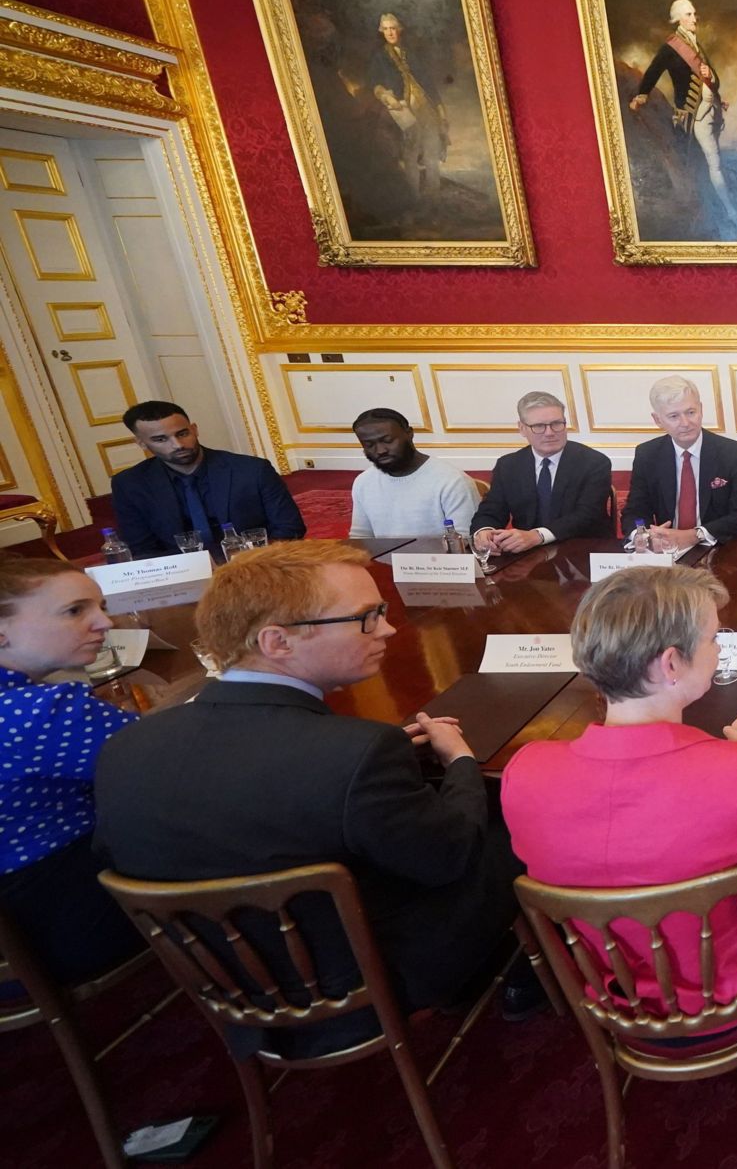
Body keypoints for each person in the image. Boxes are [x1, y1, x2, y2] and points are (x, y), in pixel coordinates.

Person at [93, 541, 532, 1044]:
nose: (386, 629)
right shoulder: (357, 753)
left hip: (227, 987)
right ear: (277, 641)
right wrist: (458, 761)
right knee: (508, 818)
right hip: (362, 984)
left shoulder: (125, 746)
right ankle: (521, 971)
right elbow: (449, 855)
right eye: (367, 618)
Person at [502, 567, 737, 1026]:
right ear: (671, 664)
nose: (721, 645)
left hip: (608, 991)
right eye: (713, 637)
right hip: (732, 993)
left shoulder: (523, 770)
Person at [0, 559, 142, 985]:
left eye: (100, 606)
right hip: (58, 925)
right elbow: (166, 762)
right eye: (75, 611)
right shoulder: (40, 712)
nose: (105, 622)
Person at [110, 400, 307, 556]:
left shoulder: (252, 469)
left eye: (183, 433)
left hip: (253, 564)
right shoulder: (130, 484)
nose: (178, 445)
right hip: (182, 574)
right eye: (161, 439)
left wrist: (252, 562)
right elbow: (141, 549)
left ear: (194, 429)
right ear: (142, 443)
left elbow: (290, 528)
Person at [628, 0, 737, 233]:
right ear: (679, 18)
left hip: (711, 110)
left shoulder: (696, 46)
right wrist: (642, 94)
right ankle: (731, 212)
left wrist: (709, 74)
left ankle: (719, 209)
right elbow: (653, 71)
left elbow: (715, 81)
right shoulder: (671, 47)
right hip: (693, 113)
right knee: (713, 163)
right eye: (689, 15)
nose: (694, 19)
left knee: (711, 162)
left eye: (694, 14)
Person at [471, 391, 617, 555]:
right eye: (539, 426)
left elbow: (587, 515)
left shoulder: (593, 462)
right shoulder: (508, 465)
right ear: (522, 429)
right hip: (525, 556)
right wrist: (484, 532)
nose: (549, 432)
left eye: (556, 423)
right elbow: (491, 510)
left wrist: (537, 535)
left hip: (581, 551)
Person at [621, 376, 737, 550]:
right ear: (658, 420)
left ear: (701, 409)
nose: (685, 423)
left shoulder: (733, 453)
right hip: (666, 549)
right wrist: (644, 536)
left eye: (691, 412)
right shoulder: (648, 455)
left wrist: (694, 535)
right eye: (674, 416)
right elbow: (635, 510)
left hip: (720, 547)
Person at [347, 408, 480, 539]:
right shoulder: (363, 482)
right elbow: (361, 537)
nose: (380, 450)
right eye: (369, 445)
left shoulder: (452, 481)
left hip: (440, 559)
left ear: (409, 433)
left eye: (387, 440)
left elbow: (466, 539)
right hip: (383, 559)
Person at [366, 12, 449, 206]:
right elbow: (374, 82)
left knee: (431, 147)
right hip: (400, 107)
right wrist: (385, 95)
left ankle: (433, 194)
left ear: (399, 29)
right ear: (382, 32)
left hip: (424, 105)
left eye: (393, 28)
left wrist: (440, 110)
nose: (390, 32)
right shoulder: (379, 57)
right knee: (410, 151)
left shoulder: (411, 54)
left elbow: (428, 82)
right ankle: (413, 196)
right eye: (386, 29)